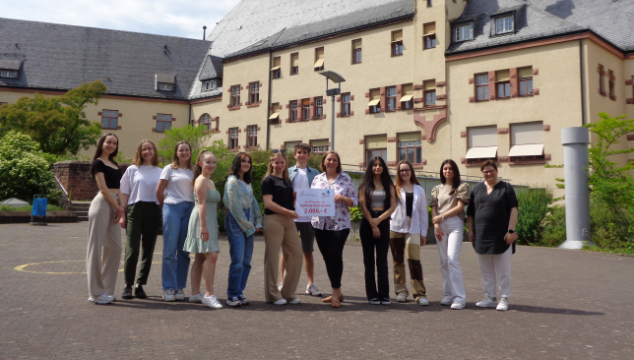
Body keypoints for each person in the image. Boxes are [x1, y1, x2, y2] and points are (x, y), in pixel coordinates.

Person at [467, 160, 519, 312]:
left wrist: (510, 231)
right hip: (481, 235)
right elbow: (470, 213)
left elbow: (514, 210)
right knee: (486, 269)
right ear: (482, 173)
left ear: (496, 171)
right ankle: (490, 297)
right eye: (485, 171)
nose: (488, 174)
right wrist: (470, 231)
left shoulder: (506, 188)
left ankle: (504, 297)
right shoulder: (476, 189)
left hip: (502, 236)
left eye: (491, 171)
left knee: (503, 269)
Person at [311, 151, 358, 308]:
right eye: (328, 159)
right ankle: (336, 292)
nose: (331, 162)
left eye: (334, 160)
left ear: (338, 163)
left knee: (335, 255)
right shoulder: (317, 178)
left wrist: (344, 198)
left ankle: (335, 291)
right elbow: (311, 199)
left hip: (339, 224)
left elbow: (355, 201)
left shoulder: (345, 178)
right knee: (327, 258)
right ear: (324, 162)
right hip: (319, 223)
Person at [118, 140, 163, 300]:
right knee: (132, 250)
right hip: (134, 210)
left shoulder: (160, 171)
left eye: (150, 149)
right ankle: (128, 285)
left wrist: (162, 215)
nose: (147, 152)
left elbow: (164, 194)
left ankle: (140, 284)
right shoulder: (132, 170)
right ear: (140, 152)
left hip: (153, 210)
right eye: (144, 149)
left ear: (154, 151)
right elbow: (124, 191)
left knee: (148, 250)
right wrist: (122, 214)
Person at [280, 143, 322, 297]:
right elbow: (282, 192)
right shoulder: (287, 172)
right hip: (291, 216)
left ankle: (310, 284)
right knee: (286, 251)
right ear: (295, 155)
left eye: (305, 152)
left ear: (309, 155)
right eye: (299, 152)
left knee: (308, 251)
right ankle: (282, 282)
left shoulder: (316, 173)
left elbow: (320, 194)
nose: (302, 155)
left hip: (309, 218)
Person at [261, 151, 303, 305]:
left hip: (289, 220)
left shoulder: (287, 180)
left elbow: (288, 201)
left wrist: (299, 199)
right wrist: (288, 212)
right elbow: (268, 203)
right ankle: (272, 295)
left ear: (286, 164)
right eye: (276, 162)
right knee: (272, 258)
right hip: (274, 220)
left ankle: (287, 292)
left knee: (297, 254)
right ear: (271, 163)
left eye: (282, 162)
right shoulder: (268, 180)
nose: (279, 165)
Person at [86, 133, 123, 305]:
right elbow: (103, 189)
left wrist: (120, 207)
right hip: (102, 204)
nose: (111, 145)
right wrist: (117, 207)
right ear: (102, 143)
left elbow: (120, 189)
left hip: (115, 203)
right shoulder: (98, 163)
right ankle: (95, 292)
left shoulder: (115, 165)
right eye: (109, 142)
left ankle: (106, 290)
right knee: (96, 247)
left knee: (115, 249)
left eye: (114, 143)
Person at [183, 150, 223, 309]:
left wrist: (215, 226)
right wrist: (204, 227)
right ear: (200, 164)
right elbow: (201, 204)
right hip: (201, 221)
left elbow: (211, 206)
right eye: (208, 162)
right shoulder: (201, 181)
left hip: (209, 221)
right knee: (212, 256)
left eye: (214, 162)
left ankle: (194, 294)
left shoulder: (209, 181)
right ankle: (208, 294)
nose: (211, 165)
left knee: (200, 257)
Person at [156, 141, 194, 302]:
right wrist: (164, 209)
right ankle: (168, 287)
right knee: (170, 250)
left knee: (184, 251)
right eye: (181, 150)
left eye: (187, 150)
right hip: (172, 208)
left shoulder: (194, 171)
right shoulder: (169, 169)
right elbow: (159, 192)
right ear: (176, 153)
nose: (184, 152)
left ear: (190, 153)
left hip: (190, 209)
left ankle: (179, 287)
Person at [223, 152, 263, 307]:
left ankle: (239, 292)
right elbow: (234, 207)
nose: (246, 164)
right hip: (236, 221)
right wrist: (248, 225)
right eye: (243, 161)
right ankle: (231, 295)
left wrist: (258, 221)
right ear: (237, 163)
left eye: (248, 162)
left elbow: (253, 203)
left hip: (248, 220)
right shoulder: (232, 182)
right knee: (238, 261)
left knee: (246, 262)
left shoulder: (246, 181)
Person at [430, 159, 470, 310]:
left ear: (455, 171)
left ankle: (459, 298)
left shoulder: (462, 186)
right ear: (442, 171)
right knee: (444, 261)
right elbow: (434, 208)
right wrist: (436, 224)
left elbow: (460, 207)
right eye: (445, 169)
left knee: (452, 259)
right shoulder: (437, 189)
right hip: (440, 226)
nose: (447, 171)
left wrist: (441, 217)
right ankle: (448, 294)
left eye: (450, 168)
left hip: (454, 224)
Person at [389, 160, 429, 306]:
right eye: (401, 170)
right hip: (395, 228)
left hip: (414, 230)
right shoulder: (393, 188)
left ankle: (419, 294)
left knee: (414, 261)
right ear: (398, 173)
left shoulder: (419, 189)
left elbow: (423, 213)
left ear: (411, 171)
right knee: (397, 261)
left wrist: (423, 232)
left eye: (407, 170)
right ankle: (400, 292)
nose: (404, 172)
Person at [358, 156, 397, 305]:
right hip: (368, 221)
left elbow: (392, 207)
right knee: (369, 261)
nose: (377, 167)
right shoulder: (364, 185)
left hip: (383, 220)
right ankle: (372, 295)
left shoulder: (389, 185)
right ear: (371, 167)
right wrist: (372, 224)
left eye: (380, 165)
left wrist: (379, 221)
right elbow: (363, 205)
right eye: (374, 165)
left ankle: (384, 294)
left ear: (383, 167)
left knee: (382, 260)